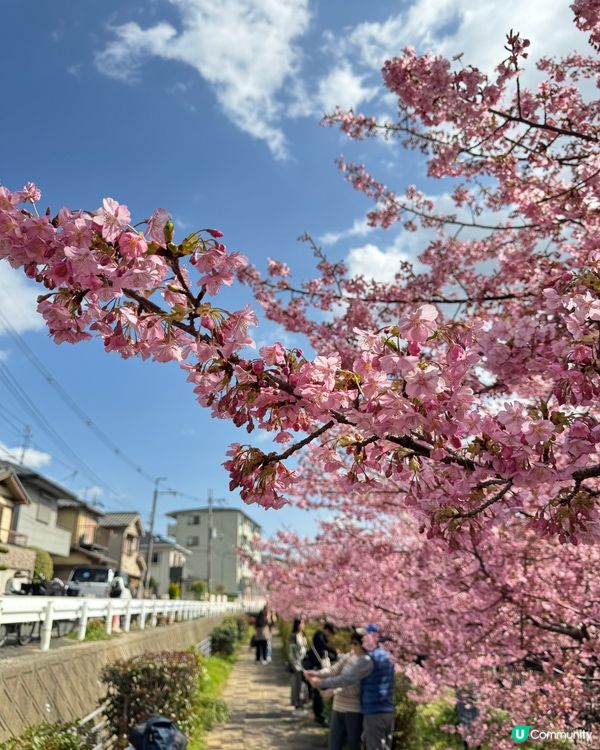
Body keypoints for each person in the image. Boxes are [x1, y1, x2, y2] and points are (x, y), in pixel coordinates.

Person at [307, 625, 395, 750]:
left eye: (359, 642)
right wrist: (318, 675)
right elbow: (335, 671)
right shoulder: (387, 656)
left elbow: (347, 680)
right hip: (387, 710)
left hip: (372, 711)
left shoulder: (368, 659)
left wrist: (322, 684)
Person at [306, 628, 365, 750]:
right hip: (338, 707)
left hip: (353, 709)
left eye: (356, 644)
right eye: (352, 643)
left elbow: (354, 686)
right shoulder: (348, 657)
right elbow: (333, 670)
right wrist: (316, 673)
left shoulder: (365, 662)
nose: (353, 646)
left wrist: (333, 691)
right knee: (334, 744)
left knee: (353, 745)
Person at [304, 621, 338, 726]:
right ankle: (319, 715)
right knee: (318, 692)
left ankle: (319, 714)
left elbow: (325, 651)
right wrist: (335, 651)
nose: (330, 635)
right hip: (316, 667)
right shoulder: (319, 636)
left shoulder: (321, 637)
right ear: (327, 630)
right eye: (330, 632)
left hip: (318, 667)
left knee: (318, 693)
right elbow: (323, 648)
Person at [288, 616, 308, 716]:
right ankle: (296, 706)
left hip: (304, 664)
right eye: (301, 623)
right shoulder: (293, 636)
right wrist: (296, 667)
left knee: (303, 687)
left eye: (303, 623)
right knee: (296, 687)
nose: (302, 625)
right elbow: (291, 654)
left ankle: (302, 705)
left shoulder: (303, 635)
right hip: (296, 666)